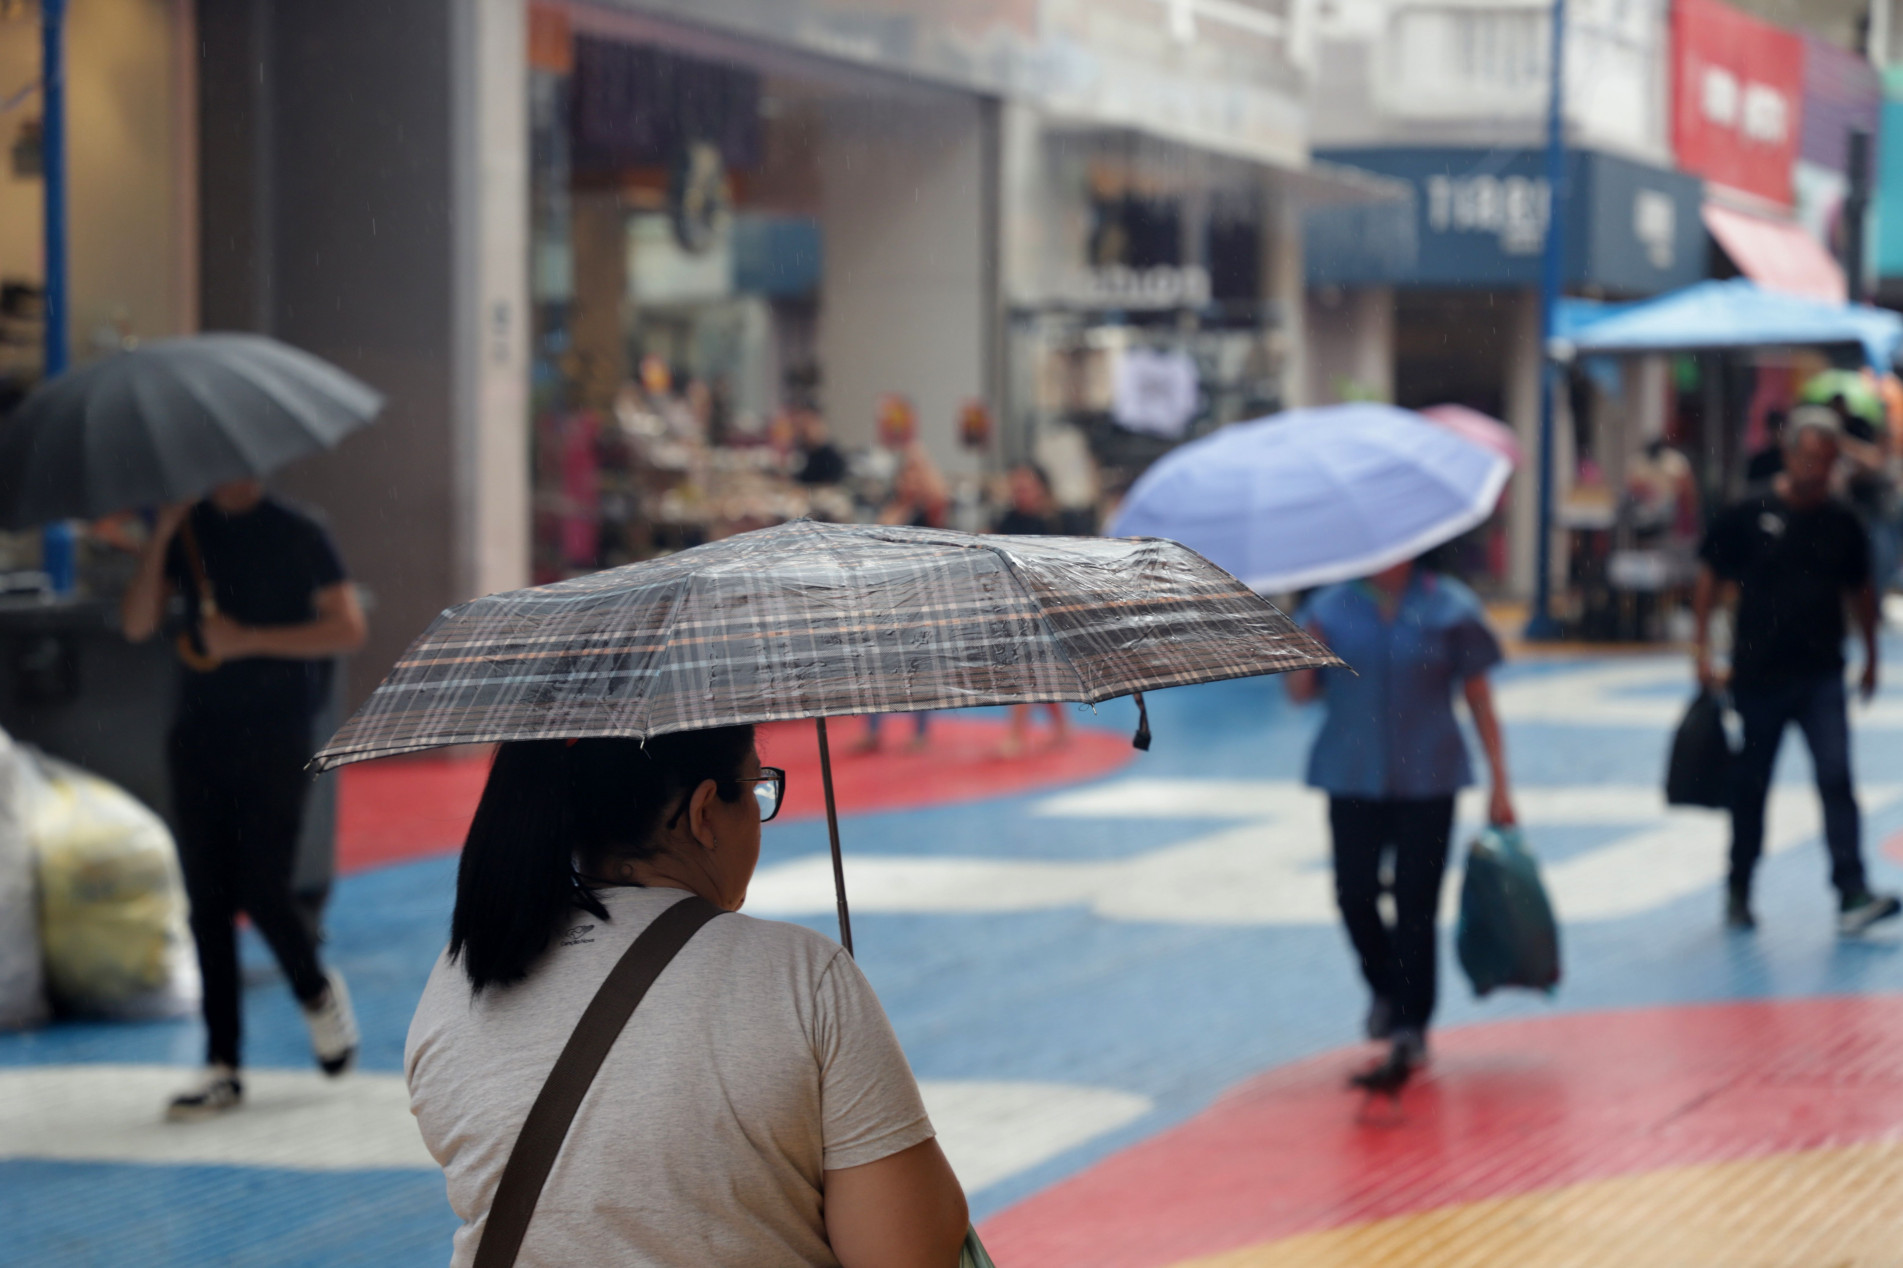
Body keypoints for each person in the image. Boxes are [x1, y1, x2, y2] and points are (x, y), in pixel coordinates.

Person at [406, 728, 969, 1267]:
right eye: (756, 790)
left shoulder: (461, 979)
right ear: (704, 813)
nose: (759, 814)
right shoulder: (800, 975)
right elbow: (909, 1251)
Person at [120, 478, 368, 1119]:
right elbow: (137, 621)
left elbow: (347, 627)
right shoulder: (189, 534)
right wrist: (164, 533)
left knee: (264, 887)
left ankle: (313, 989)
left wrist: (249, 639)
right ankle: (222, 1063)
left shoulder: (299, 530)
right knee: (206, 899)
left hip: (277, 733)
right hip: (199, 734)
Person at [1285, 558, 1515, 1091]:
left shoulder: (1449, 605)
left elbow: (1479, 695)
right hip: (1352, 774)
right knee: (1354, 893)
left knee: (1418, 901)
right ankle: (1385, 987)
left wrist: (1500, 780)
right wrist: (1302, 652)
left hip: (1429, 777)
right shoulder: (1327, 608)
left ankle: (1412, 1023)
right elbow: (1299, 695)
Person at [1693, 407, 1901, 936]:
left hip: (1821, 675)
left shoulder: (1842, 520)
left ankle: (1851, 890)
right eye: (1809, 458)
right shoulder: (1749, 511)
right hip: (1758, 676)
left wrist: (1872, 657)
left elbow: (1860, 591)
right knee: (1751, 787)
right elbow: (1710, 575)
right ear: (1789, 455)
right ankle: (1739, 887)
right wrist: (1702, 651)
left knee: (1836, 777)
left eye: (1826, 462)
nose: (1817, 471)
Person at [993, 467, 1070, 755]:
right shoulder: (1007, 519)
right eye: (1016, 488)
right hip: (1015, 603)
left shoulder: (1054, 522)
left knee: (1028, 669)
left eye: (1026, 487)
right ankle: (1060, 724)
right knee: (1035, 670)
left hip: (1044, 605)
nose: (1020, 493)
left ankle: (1016, 735)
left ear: (1041, 488)